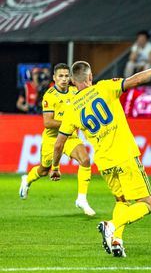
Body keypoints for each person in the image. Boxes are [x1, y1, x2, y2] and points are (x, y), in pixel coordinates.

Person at [50, 53, 151, 257]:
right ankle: (112, 225)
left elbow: (59, 144)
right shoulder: (105, 87)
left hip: (105, 163)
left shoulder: (71, 110)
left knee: (121, 201)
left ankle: (117, 240)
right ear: (90, 77)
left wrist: (55, 167)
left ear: (72, 81)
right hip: (124, 155)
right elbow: (135, 80)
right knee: (147, 203)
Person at [18, 63, 95, 216]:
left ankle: (82, 199)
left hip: (70, 137)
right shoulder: (49, 95)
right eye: (60, 76)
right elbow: (47, 122)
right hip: (52, 139)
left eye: (67, 76)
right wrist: (71, 123)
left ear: (71, 78)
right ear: (54, 78)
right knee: (43, 170)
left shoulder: (75, 92)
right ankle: (27, 179)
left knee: (85, 160)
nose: (64, 79)